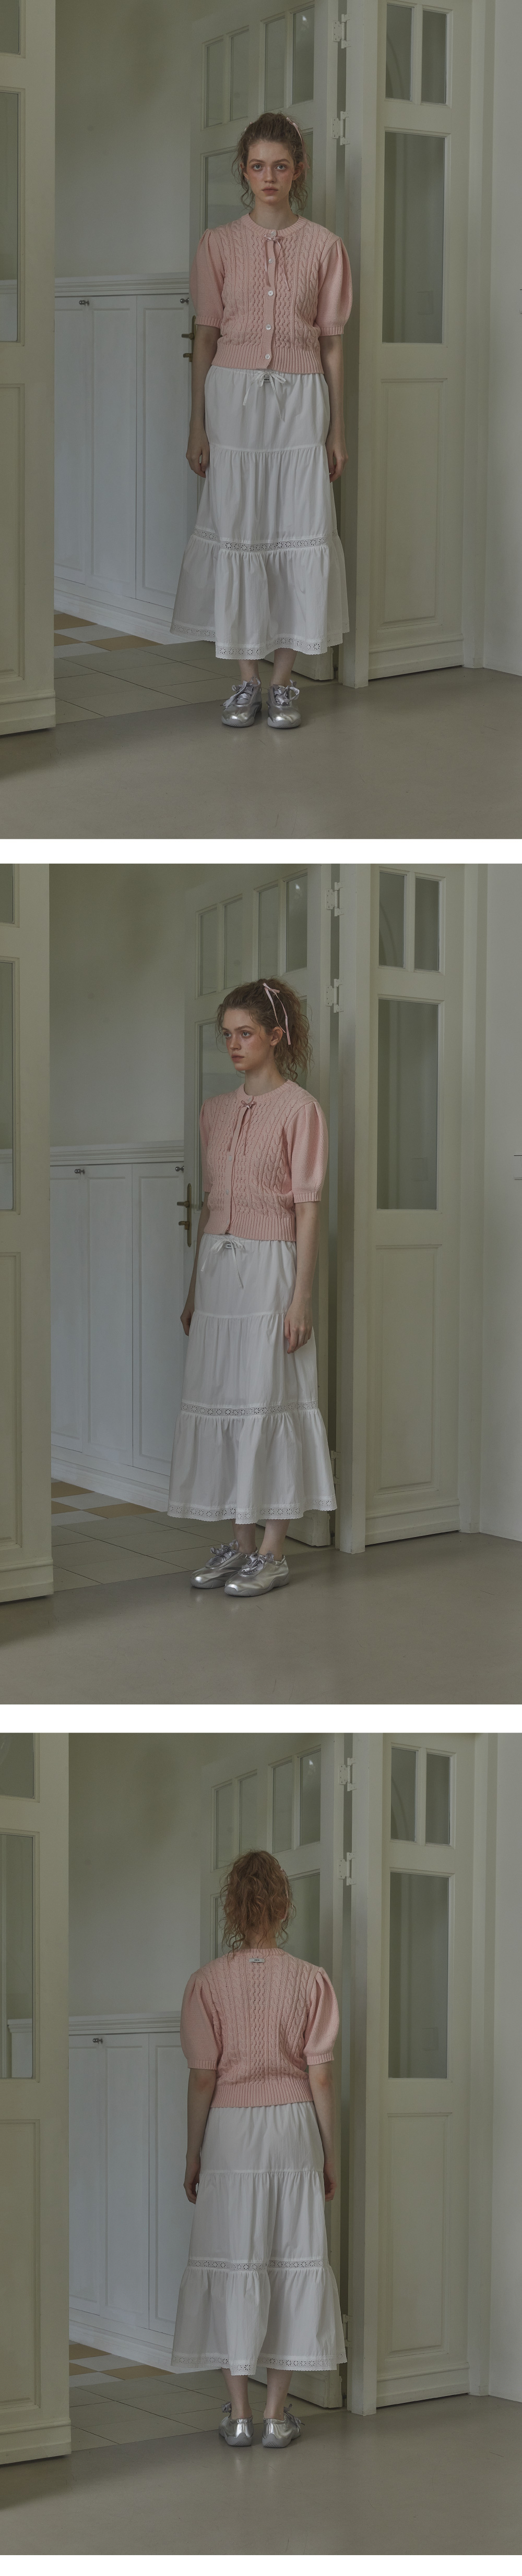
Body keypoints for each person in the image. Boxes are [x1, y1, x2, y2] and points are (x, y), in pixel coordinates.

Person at [170, 111, 352, 731]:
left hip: (301, 399)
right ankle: (246, 677)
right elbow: (206, 335)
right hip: (234, 399)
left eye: (279, 166)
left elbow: (331, 344)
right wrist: (197, 425)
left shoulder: (325, 246)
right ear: (243, 172)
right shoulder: (217, 244)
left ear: (298, 171)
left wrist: (336, 430)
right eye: (257, 166)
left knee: (299, 527)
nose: (268, 177)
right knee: (238, 526)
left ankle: (282, 683)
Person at [167, 976, 336, 1598]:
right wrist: (194, 1290)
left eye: (245, 1033)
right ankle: (240, 1544)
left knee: (269, 1397)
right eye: (227, 1035)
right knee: (227, 1396)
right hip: (218, 1272)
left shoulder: (300, 1110)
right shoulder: (214, 1111)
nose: (234, 1045)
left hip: (271, 1270)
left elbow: (308, 1209)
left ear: (276, 1035)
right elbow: (212, 1205)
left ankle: (273, 1550)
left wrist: (301, 1297)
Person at [171, 1848, 346, 2446]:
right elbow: (321, 2077)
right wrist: (330, 2152)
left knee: (234, 2259)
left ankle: (239, 2415)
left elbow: (202, 2079)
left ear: (232, 1907)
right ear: (282, 1906)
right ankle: (276, 2416)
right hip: (293, 2129)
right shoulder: (310, 1980)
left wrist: (193, 2153)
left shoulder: (206, 1983)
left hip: (230, 2133)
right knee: (290, 2260)